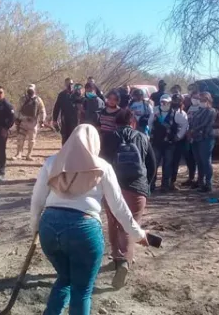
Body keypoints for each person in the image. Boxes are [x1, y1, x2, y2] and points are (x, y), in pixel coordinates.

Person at [30, 124, 149, 315]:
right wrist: (138, 235)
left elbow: (37, 200)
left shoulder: (52, 162)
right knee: (82, 290)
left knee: (65, 278)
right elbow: (119, 208)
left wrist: (35, 227)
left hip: (49, 228)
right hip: (83, 230)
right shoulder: (102, 167)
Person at [100, 109, 156, 289]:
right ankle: (125, 260)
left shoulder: (107, 137)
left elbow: (101, 163)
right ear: (132, 123)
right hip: (137, 188)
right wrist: (146, 185)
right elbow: (152, 165)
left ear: (115, 123)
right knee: (131, 224)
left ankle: (116, 256)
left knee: (113, 222)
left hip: (113, 188)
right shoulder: (142, 137)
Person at [147, 94, 188, 192]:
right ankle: (151, 185)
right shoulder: (155, 112)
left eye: (166, 102)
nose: (164, 104)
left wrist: (178, 136)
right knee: (154, 164)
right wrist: (150, 135)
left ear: (170, 103)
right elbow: (149, 124)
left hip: (169, 143)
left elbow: (184, 124)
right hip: (156, 143)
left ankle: (165, 185)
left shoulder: (176, 114)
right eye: (162, 102)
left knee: (167, 164)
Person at [189, 92, 217, 192]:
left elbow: (205, 124)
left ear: (208, 100)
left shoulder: (211, 111)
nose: (201, 102)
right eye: (200, 100)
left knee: (206, 161)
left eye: (203, 100)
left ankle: (208, 184)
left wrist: (193, 130)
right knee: (199, 161)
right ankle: (200, 182)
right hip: (195, 138)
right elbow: (191, 121)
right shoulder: (198, 110)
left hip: (206, 138)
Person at [14, 84, 47, 161]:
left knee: (32, 140)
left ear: (34, 90)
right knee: (20, 139)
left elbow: (42, 110)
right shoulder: (22, 99)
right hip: (23, 121)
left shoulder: (38, 100)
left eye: (31, 90)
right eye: (29, 90)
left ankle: (29, 154)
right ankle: (19, 154)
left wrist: (42, 120)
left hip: (33, 122)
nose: (30, 91)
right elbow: (18, 109)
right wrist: (17, 118)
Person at [181, 90, 202, 187]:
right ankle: (191, 178)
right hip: (188, 136)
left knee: (198, 158)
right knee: (188, 158)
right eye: (193, 97)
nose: (195, 100)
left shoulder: (201, 108)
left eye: (197, 98)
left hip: (197, 136)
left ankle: (200, 180)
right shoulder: (190, 107)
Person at [52, 78, 78, 145]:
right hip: (65, 120)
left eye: (71, 84)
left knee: (75, 137)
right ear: (65, 84)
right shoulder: (62, 95)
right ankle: (65, 153)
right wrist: (55, 120)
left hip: (76, 120)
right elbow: (57, 107)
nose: (70, 85)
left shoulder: (77, 94)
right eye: (68, 84)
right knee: (65, 138)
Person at [97, 90, 122, 157]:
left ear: (117, 100)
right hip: (102, 139)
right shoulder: (103, 110)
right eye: (110, 98)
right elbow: (99, 124)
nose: (111, 101)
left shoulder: (120, 112)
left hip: (113, 141)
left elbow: (120, 128)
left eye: (114, 99)